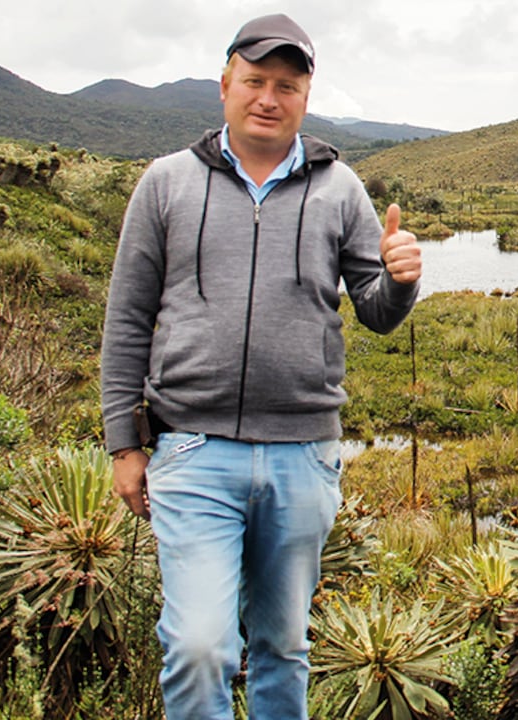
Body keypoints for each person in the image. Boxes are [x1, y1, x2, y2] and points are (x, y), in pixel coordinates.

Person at [100, 13, 421, 720]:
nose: (269, 98)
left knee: (282, 645)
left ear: (306, 97)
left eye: (287, 84)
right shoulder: (166, 183)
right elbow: (126, 319)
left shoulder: (340, 188)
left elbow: (375, 309)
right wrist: (125, 444)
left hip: (302, 457)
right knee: (198, 646)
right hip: (191, 451)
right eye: (255, 81)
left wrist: (398, 278)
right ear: (225, 86)